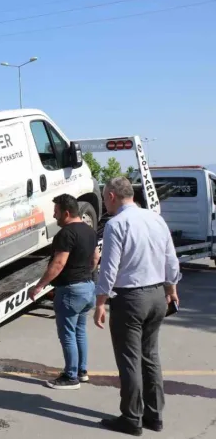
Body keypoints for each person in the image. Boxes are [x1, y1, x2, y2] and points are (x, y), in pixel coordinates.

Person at [94, 177, 181, 436]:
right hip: (157, 296)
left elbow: (109, 269)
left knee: (130, 360)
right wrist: (171, 289)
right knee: (150, 357)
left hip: (130, 299)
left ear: (111, 196)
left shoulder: (116, 224)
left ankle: (131, 418)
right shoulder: (156, 219)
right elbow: (171, 260)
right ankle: (154, 416)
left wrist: (100, 301)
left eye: (104, 198)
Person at [29, 194, 99, 390]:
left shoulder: (66, 234)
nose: (54, 215)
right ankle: (81, 371)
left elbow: (59, 263)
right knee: (80, 331)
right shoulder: (90, 231)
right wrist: (86, 274)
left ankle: (71, 377)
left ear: (66, 213)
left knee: (67, 334)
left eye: (56, 212)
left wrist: (40, 285)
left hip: (70, 291)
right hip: (87, 287)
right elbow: (95, 258)